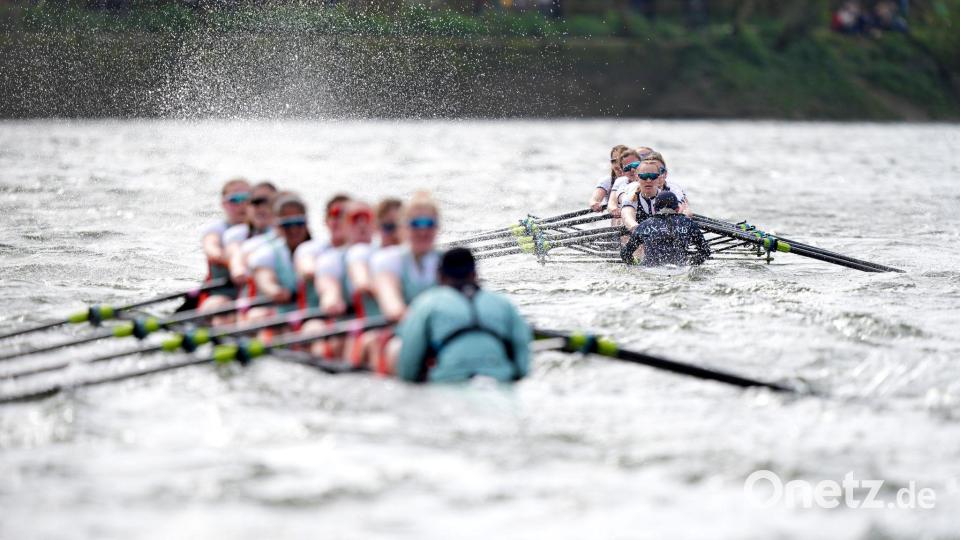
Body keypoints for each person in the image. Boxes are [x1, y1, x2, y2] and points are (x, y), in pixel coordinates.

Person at [394, 248, 531, 383]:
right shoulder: (503, 303)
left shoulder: (427, 303)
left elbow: (408, 367)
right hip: (499, 381)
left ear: (440, 276)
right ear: (474, 274)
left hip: (448, 381)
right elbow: (522, 365)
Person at [246, 193, 313, 317]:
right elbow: (264, 279)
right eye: (287, 225)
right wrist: (274, 290)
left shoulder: (318, 249)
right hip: (279, 315)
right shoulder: (267, 252)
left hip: (313, 316)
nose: (294, 230)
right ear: (277, 226)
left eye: (299, 223)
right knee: (257, 315)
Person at [197, 177, 250, 312]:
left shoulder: (263, 230)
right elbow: (211, 250)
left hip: (255, 295)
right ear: (224, 204)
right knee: (217, 306)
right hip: (223, 293)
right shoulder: (216, 229)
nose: (242, 204)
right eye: (235, 200)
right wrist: (236, 263)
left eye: (247, 198)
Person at [620, 191, 711, 266]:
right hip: (680, 270)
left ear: (655, 209)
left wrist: (635, 264)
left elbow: (625, 254)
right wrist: (691, 264)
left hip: (650, 270)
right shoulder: (688, 223)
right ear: (677, 208)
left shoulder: (644, 225)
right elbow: (705, 251)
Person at [619, 158, 664, 233]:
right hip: (635, 235)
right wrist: (636, 229)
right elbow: (627, 217)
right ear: (637, 177)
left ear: (658, 178)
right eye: (644, 176)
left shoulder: (665, 198)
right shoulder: (631, 197)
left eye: (653, 176)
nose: (648, 180)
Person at [643, 151, 691, 216]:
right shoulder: (633, 189)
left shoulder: (673, 189)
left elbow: (682, 209)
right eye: (651, 172)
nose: (658, 175)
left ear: (665, 174)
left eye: (660, 171)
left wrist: (684, 217)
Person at [589, 144, 629, 212]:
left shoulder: (641, 180)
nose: (617, 164)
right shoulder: (608, 181)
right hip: (617, 218)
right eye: (614, 161)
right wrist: (594, 203)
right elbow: (595, 198)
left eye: (621, 160)